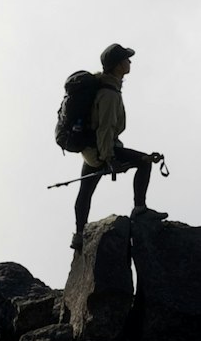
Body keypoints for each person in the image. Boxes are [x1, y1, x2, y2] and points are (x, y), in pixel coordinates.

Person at [68, 42, 163, 239]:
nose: (129, 62)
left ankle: (78, 234)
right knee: (144, 163)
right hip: (102, 150)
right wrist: (110, 159)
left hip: (90, 150)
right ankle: (140, 208)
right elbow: (106, 128)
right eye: (126, 59)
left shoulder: (103, 86)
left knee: (85, 192)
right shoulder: (109, 93)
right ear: (118, 66)